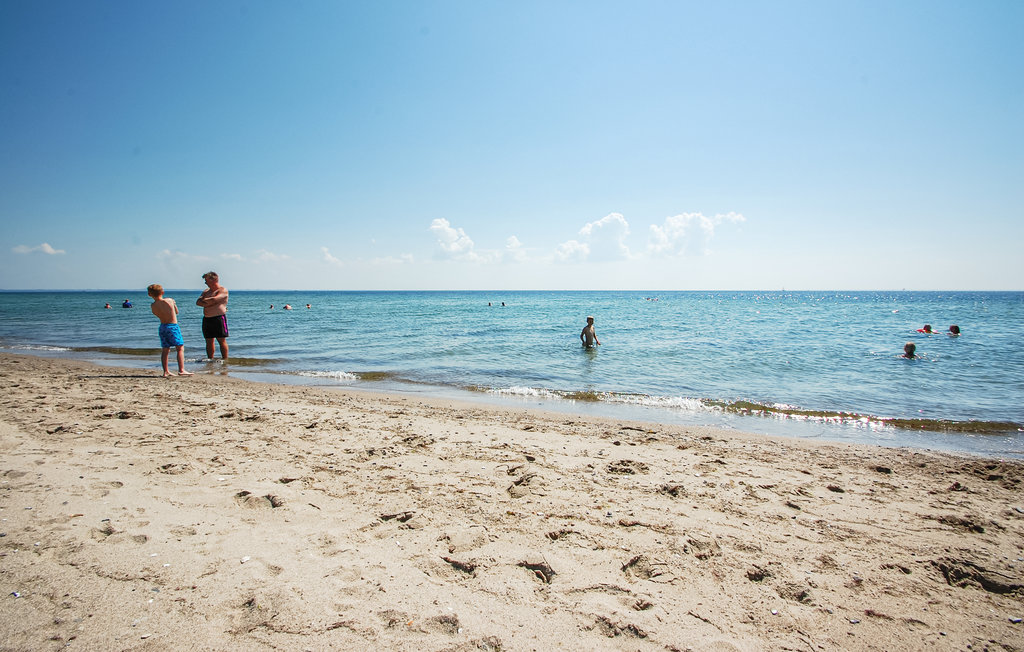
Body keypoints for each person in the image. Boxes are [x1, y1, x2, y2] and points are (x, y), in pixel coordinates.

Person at [147, 284, 192, 377]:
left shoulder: (153, 305)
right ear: (162, 292)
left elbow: (157, 314)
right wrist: (174, 304)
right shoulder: (169, 300)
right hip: (172, 326)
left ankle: (166, 371)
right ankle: (181, 369)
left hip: (162, 326)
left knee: (165, 350)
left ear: (150, 294)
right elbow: (176, 312)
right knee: (180, 348)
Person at [196, 271, 229, 360]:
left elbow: (215, 299)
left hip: (218, 318)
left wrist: (206, 301)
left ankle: (225, 360)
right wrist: (209, 302)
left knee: (221, 340)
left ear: (214, 280)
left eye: (207, 280)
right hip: (207, 319)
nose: (205, 283)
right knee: (209, 340)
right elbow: (198, 302)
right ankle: (210, 359)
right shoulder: (206, 291)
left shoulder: (222, 290)